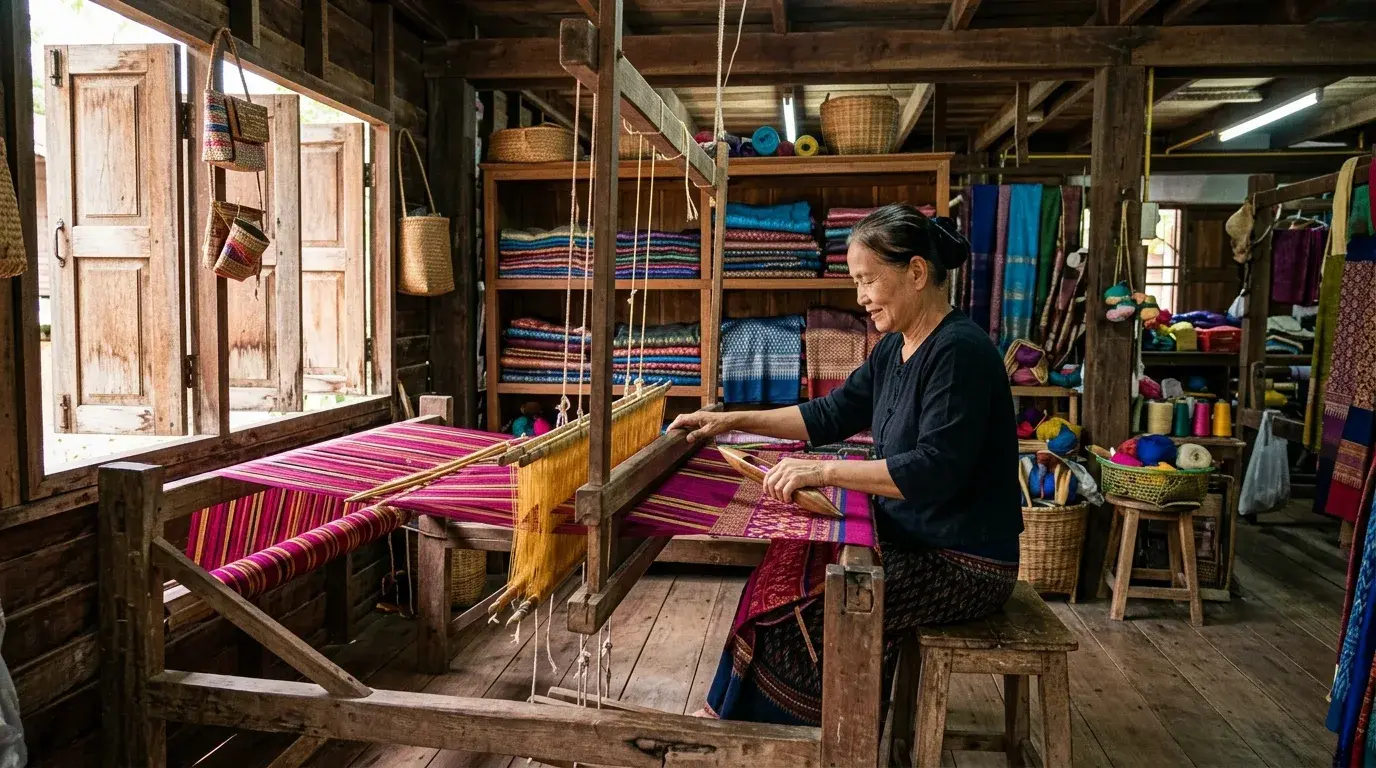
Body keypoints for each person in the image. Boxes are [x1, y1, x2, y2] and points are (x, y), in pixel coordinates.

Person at [671, 203, 1021, 726]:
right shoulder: (895, 348)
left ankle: (812, 746)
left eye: (868, 280)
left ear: (917, 273)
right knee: (781, 572)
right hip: (913, 537)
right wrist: (729, 422)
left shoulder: (959, 353)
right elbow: (829, 414)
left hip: (964, 562)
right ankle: (736, 720)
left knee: (801, 614)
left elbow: (933, 470)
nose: (859, 297)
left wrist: (824, 471)